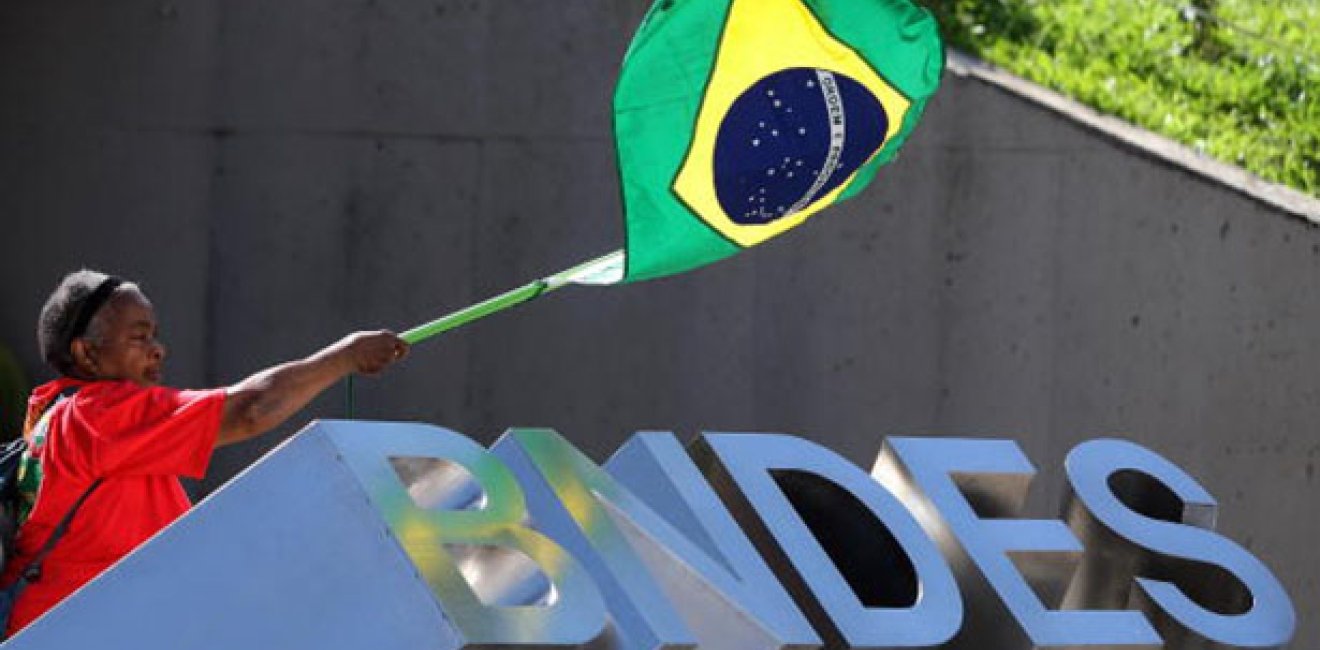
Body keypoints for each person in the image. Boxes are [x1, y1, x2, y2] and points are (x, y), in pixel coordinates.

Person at [1, 270, 409, 636]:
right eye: (139, 337)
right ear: (86, 354)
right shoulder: (99, 416)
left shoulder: (55, 418)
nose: (157, 349)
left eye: (155, 335)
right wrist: (345, 356)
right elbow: (251, 410)